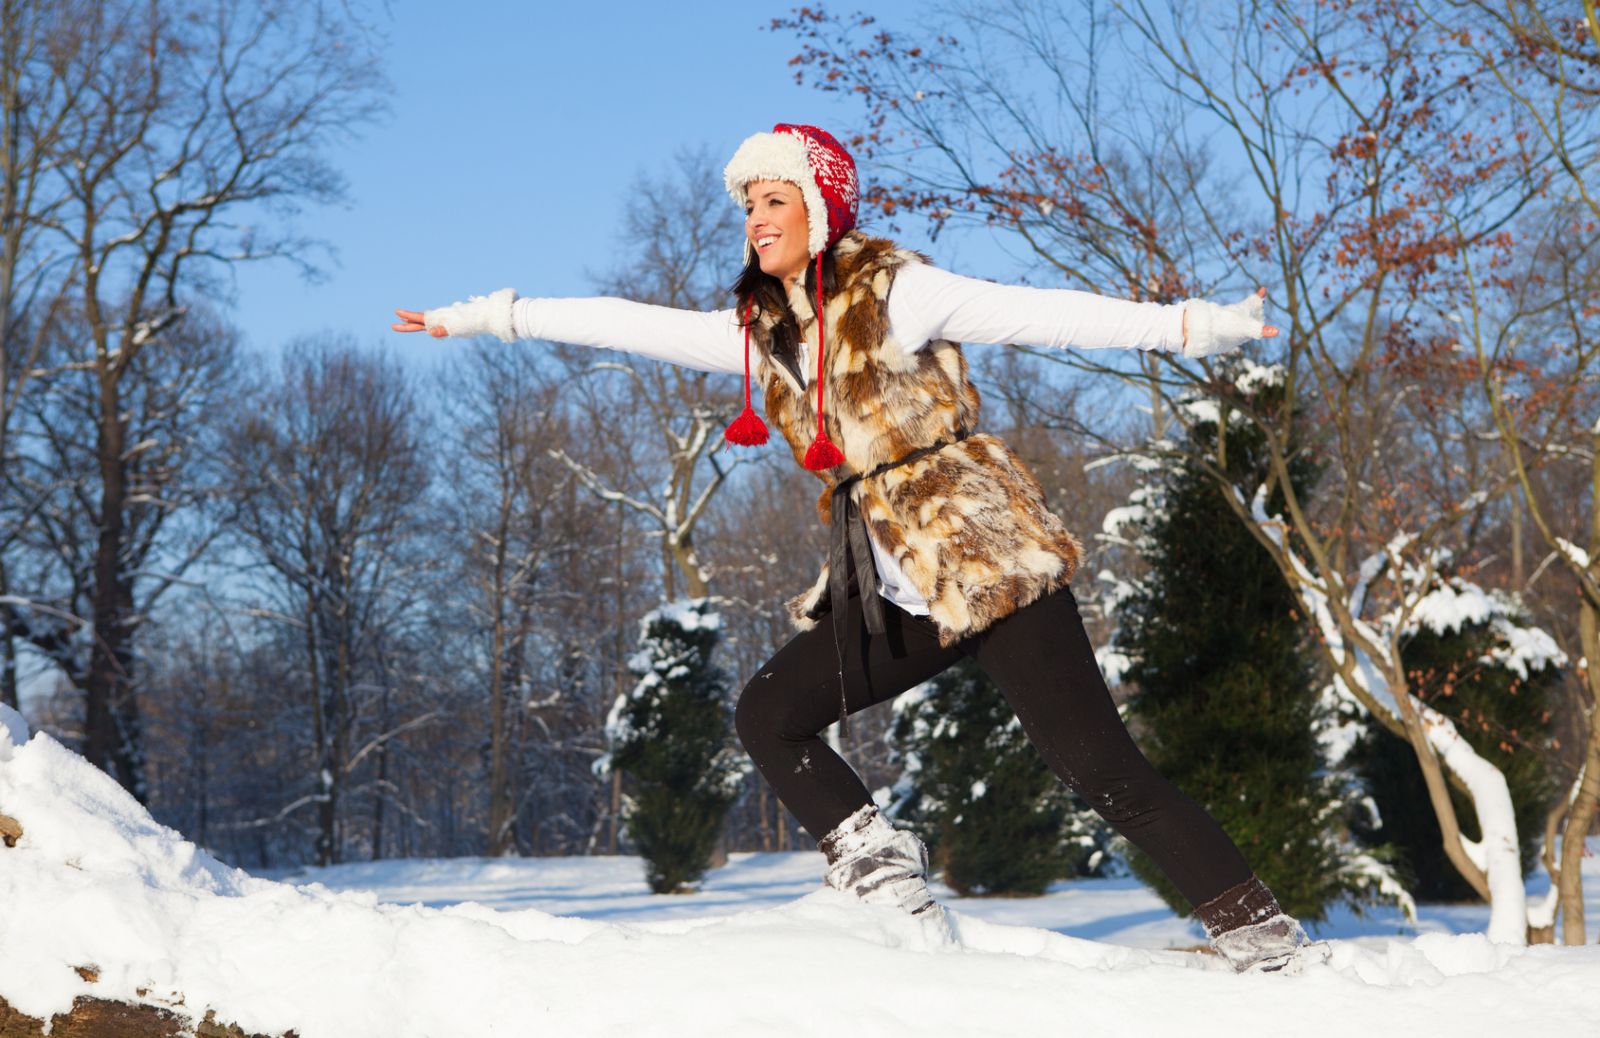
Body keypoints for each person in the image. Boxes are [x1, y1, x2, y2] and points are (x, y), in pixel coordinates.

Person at [395, 123, 1321, 973]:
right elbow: (630, 322)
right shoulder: (763, 335)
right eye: (749, 205)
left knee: (1100, 770)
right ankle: (884, 876)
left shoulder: (897, 293)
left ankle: (1264, 940)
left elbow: (1047, 312)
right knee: (770, 712)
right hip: (891, 584)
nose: (757, 221)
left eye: (775, 201)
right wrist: (487, 316)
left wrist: (1197, 327)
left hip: (982, 562)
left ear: (820, 208)